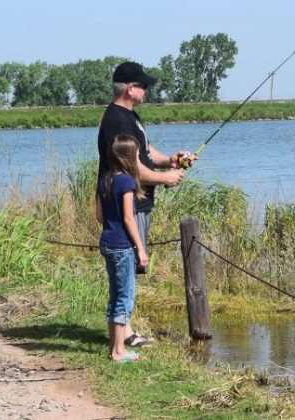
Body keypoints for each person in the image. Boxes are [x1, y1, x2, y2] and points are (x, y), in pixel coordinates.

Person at [97, 61, 195, 347]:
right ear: (131, 88)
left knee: (128, 268)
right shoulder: (116, 119)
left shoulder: (130, 116)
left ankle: (123, 330)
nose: (147, 90)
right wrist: (165, 178)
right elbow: (132, 165)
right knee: (127, 264)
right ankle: (123, 335)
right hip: (129, 203)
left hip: (138, 199)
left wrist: (172, 160)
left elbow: (145, 151)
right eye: (144, 85)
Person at [96, 134, 148, 363]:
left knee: (114, 296)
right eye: (137, 154)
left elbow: (99, 215)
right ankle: (118, 352)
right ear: (128, 157)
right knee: (124, 298)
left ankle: (114, 347)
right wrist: (141, 249)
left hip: (107, 241)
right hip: (122, 245)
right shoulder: (126, 182)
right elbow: (129, 218)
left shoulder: (105, 180)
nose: (138, 157)